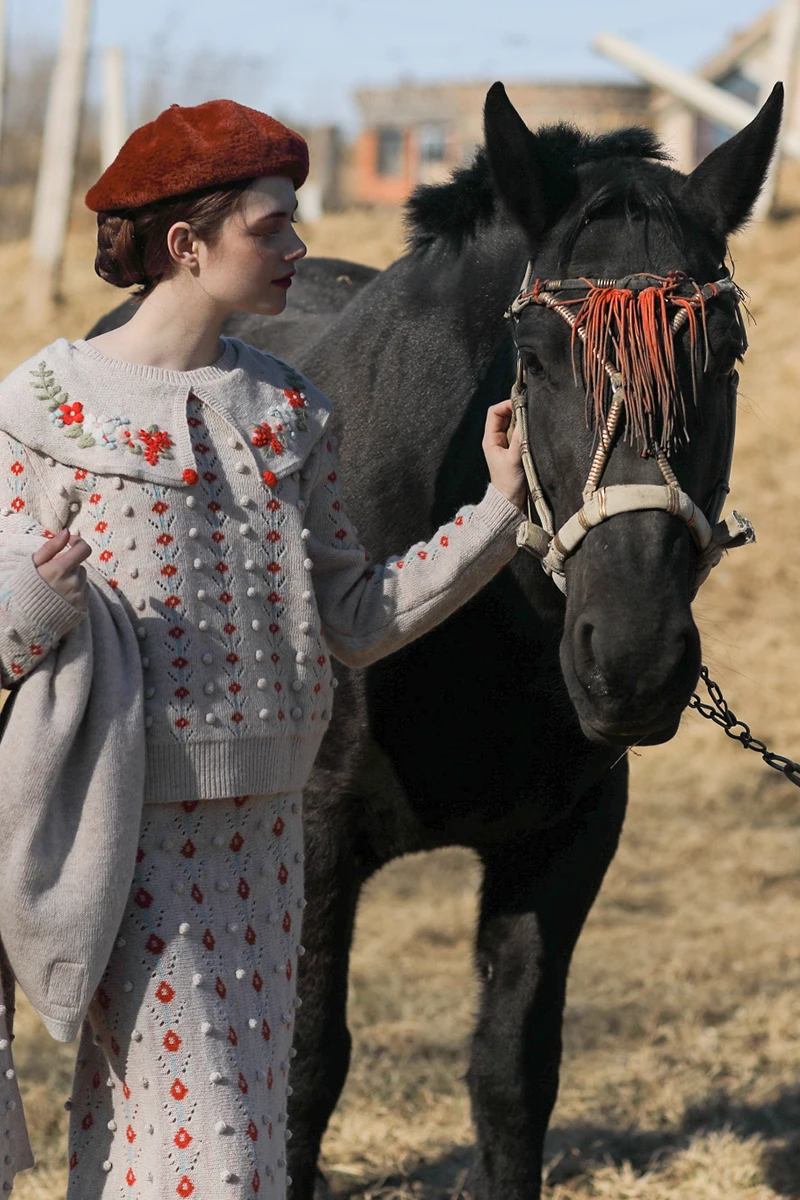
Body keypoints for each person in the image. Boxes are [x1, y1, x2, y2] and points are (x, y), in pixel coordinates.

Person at [0, 100, 524, 1198]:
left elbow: (355, 618)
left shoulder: (287, 408)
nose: (300, 248)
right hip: (114, 835)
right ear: (185, 244)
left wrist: (498, 509)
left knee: (163, 1133)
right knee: (219, 1154)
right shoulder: (45, 407)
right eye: (271, 226)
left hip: (269, 839)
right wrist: (26, 606)